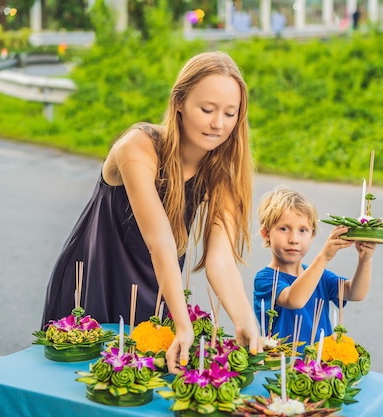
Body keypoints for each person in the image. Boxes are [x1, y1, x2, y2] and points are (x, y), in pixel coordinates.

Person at [41, 51, 261, 373]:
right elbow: (161, 242)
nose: (218, 124)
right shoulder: (138, 146)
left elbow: (221, 261)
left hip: (158, 293)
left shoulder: (220, 174)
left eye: (230, 114)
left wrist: (245, 320)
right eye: (207, 109)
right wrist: (184, 325)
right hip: (93, 284)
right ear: (179, 103)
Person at [253, 186, 376, 348]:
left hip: (320, 367)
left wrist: (365, 259)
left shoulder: (319, 275)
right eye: (284, 229)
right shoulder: (266, 279)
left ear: (312, 235)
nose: (294, 239)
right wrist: (324, 256)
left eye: (302, 230)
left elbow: (355, 292)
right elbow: (294, 299)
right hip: (282, 367)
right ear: (266, 234)